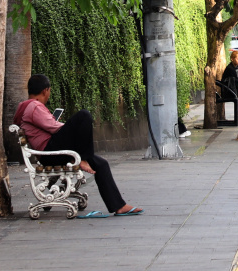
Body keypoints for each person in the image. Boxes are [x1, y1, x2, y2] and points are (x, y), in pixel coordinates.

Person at [13, 74, 143, 216]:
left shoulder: (28, 106)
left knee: (101, 164)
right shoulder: (34, 106)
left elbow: (49, 126)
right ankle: (83, 158)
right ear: (46, 90)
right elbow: (54, 127)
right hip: (49, 152)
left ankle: (119, 206)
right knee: (84, 116)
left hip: (52, 150)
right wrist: (73, 127)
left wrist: (70, 127)